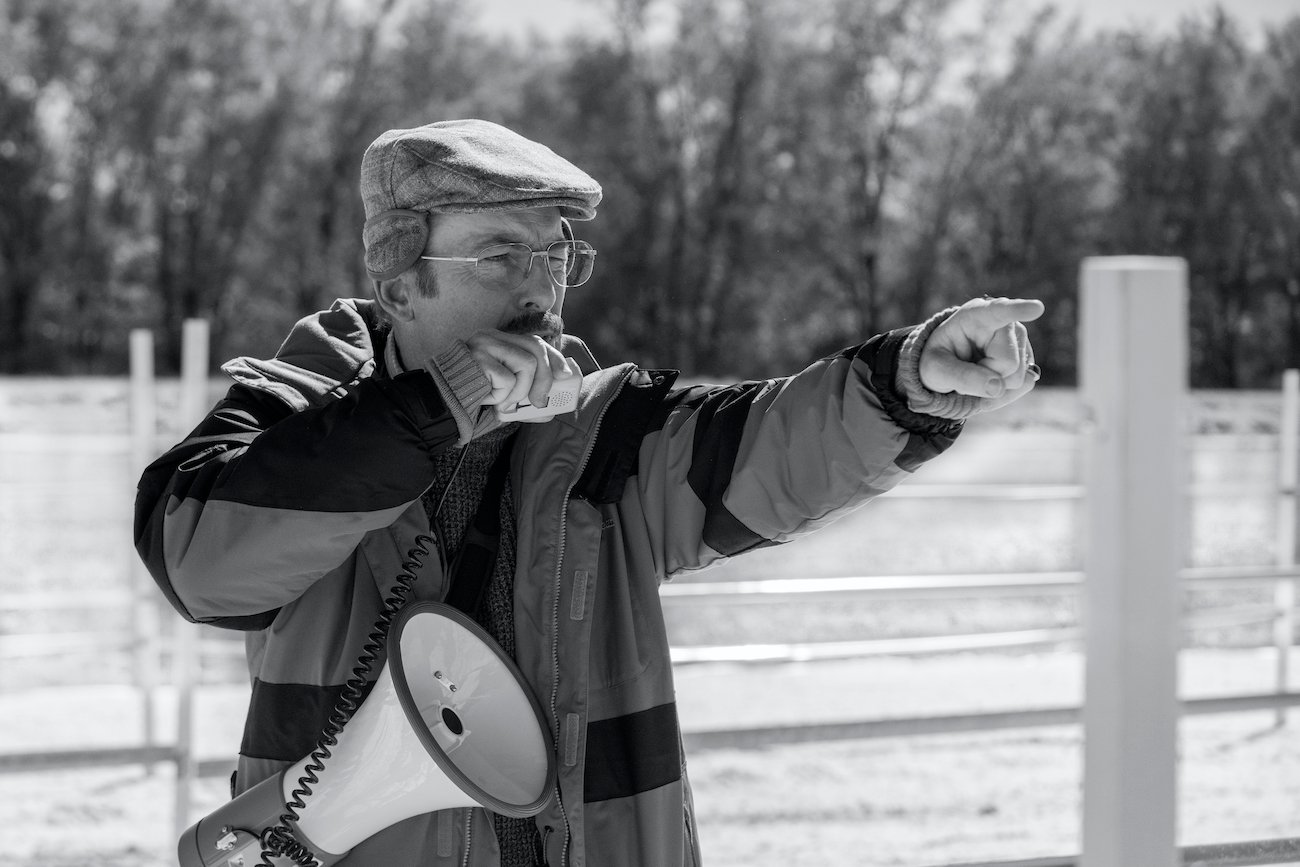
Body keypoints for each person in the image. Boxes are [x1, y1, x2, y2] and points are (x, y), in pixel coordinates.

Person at [135, 118, 1043, 867]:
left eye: (556, 254)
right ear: (401, 277)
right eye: (500, 254)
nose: (541, 290)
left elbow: (771, 439)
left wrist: (907, 378)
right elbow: (202, 564)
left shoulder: (607, 428)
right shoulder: (299, 409)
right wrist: (431, 411)